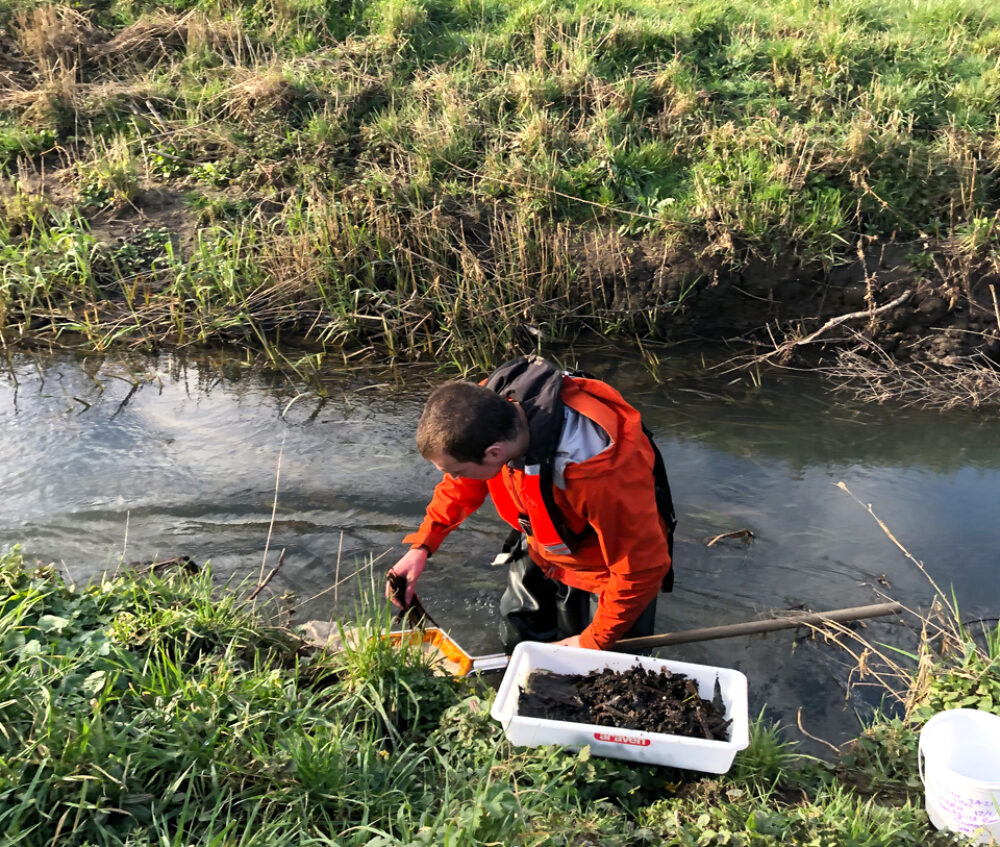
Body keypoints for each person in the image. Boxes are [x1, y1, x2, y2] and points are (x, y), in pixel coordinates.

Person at [387, 356, 676, 651]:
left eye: (455, 470)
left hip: (605, 570)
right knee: (520, 645)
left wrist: (592, 641)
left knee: (607, 670)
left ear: (495, 453)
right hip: (541, 543)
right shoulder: (488, 410)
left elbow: (641, 569)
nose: (453, 477)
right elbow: (462, 481)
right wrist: (422, 546)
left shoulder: (600, 471)